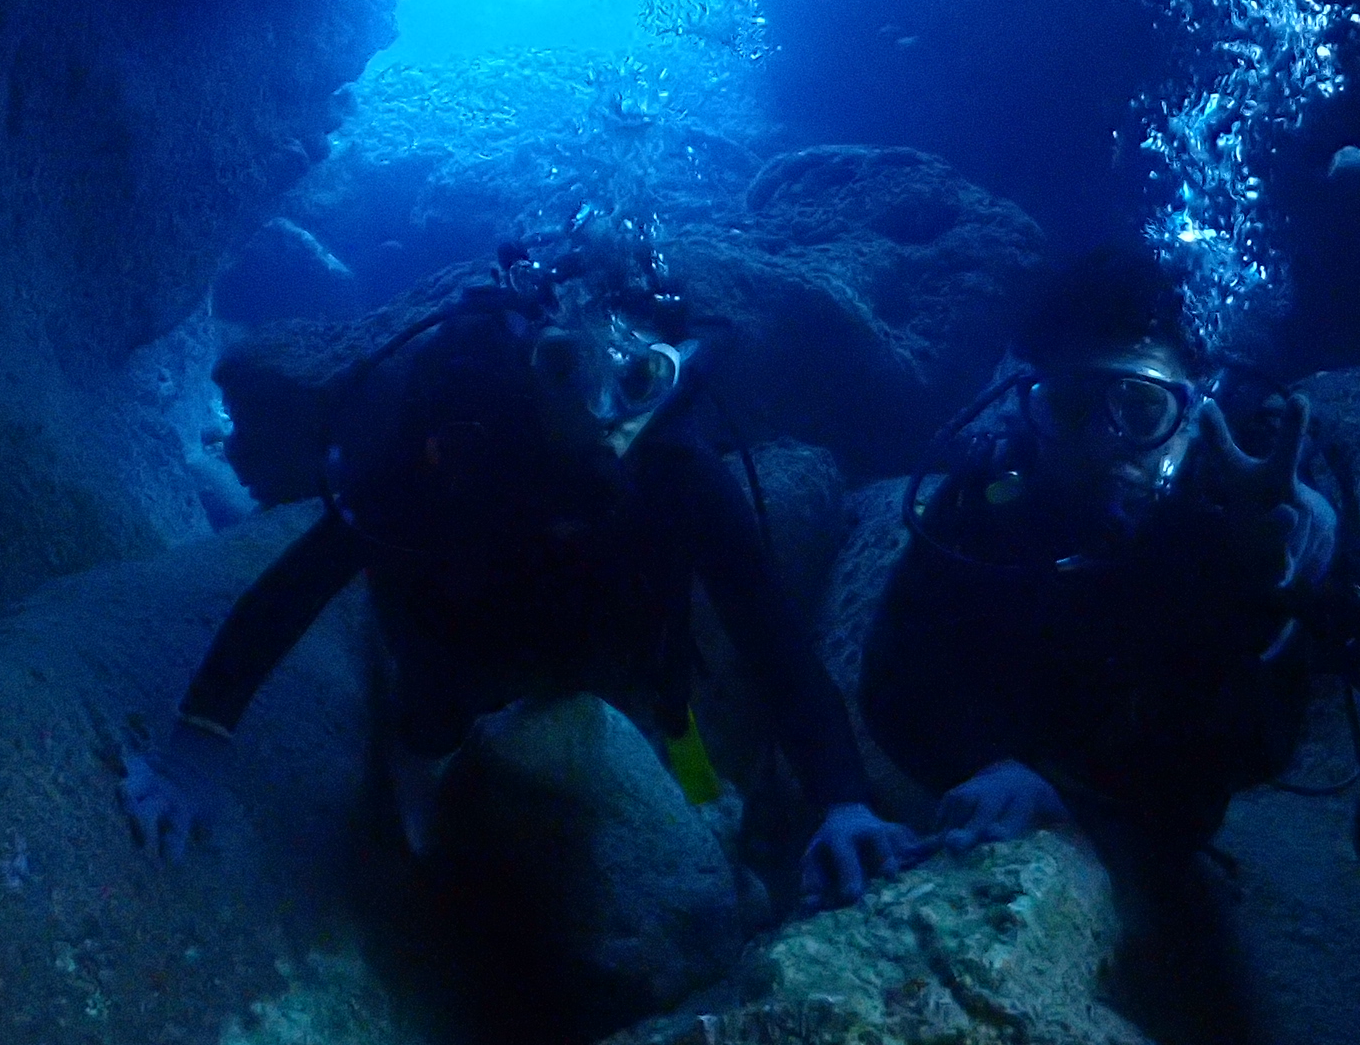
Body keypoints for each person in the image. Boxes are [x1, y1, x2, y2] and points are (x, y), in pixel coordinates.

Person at [119, 232, 917, 913]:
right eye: (567, 365)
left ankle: (700, 791)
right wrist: (197, 742)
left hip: (626, 643)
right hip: (470, 623)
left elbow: (770, 630)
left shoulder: (677, 467)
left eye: (634, 379)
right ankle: (422, 748)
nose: (595, 408)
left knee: (673, 703)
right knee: (435, 708)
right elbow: (309, 572)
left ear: (664, 379)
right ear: (532, 355)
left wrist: (843, 799)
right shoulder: (459, 442)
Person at [858, 242, 1360, 861]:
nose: (1101, 443)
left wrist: (1313, 573)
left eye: (1140, 408)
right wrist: (989, 762)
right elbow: (892, 685)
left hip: (1176, 794)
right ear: (1034, 407)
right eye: (1072, 407)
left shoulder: (1244, 502)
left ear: (1193, 411)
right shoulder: (998, 494)